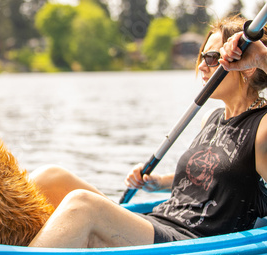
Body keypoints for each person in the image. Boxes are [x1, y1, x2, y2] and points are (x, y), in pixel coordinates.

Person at [28, 15, 267, 248]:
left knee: (82, 205)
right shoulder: (212, 119)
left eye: (213, 58)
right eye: (202, 56)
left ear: (245, 67)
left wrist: (262, 57)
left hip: (191, 240)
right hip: (161, 221)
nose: (202, 65)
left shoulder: (262, 127)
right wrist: (158, 182)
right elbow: (218, 178)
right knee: (48, 177)